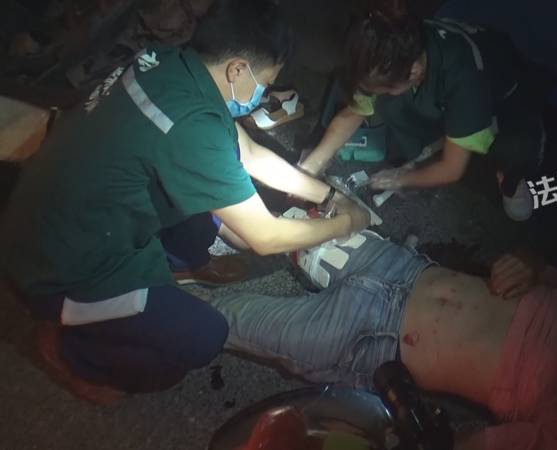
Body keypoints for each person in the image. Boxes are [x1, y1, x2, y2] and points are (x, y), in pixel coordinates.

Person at [0, 0, 369, 401]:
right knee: (203, 337)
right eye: (266, 82)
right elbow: (265, 237)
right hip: (60, 266)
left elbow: (247, 153)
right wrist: (346, 223)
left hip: (64, 212)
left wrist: (330, 195)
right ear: (237, 70)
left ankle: (180, 262)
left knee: (215, 181)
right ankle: (73, 351)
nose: (264, 94)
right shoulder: (192, 127)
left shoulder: (168, 62)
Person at [207, 231, 557, 450]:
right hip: (399, 267)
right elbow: (538, 262)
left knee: (211, 320)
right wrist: (528, 260)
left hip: (366, 342)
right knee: (271, 218)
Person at [297, 1, 552, 221]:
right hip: (443, 86)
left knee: (514, 149)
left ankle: (510, 178)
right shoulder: (391, 50)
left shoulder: (464, 79)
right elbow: (354, 111)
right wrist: (313, 164)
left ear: (414, 72)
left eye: (383, 87)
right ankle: (436, 142)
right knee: (390, 105)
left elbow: (452, 169)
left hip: (503, 98)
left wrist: (401, 179)